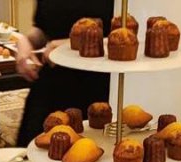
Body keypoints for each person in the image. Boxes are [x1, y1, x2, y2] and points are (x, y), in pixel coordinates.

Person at [14, 1, 113, 147]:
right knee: (33, 153)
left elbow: (130, 37)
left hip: (97, 87)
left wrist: (68, 46)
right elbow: (43, 29)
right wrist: (25, 41)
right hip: (51, 84)